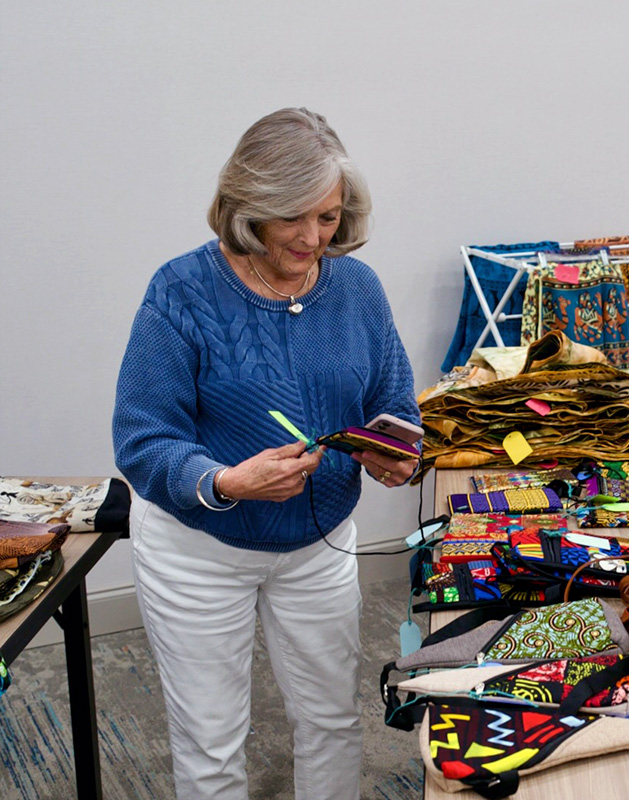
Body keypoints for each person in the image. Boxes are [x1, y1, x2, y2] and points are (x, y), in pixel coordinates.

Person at [113, 108, 420, 800]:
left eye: (328, 217)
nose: (313, 238)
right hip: (198, 552)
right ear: (249, 207)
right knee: (211, 745)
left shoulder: (358, 289)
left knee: (333, 721)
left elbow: (395, 401)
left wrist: (398, 450)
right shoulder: (180, 292)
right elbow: (142, 439)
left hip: (317, 547)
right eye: (293, 219)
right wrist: (226, 481)